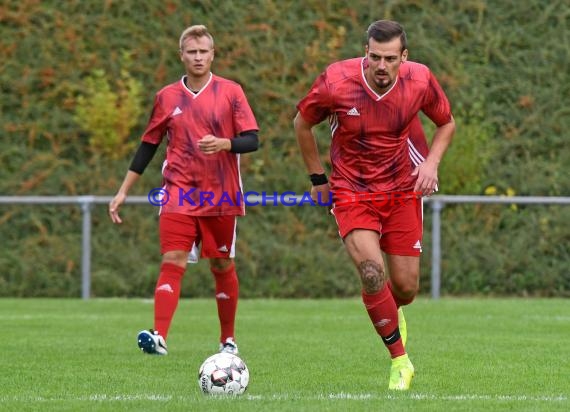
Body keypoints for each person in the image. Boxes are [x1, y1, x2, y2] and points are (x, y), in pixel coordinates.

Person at [294, 20, 455, 390]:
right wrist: (318, 179)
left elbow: (446, 124)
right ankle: (400, 361)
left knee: (405, 288)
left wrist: (430, 164)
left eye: (389, 58)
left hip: (401, 189)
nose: (381, 66)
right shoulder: (336, 82)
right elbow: (302, 125)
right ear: (365, 52)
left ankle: (391, 311)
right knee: (371, 272)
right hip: (351, 190)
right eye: (374, 57)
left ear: (404, 57)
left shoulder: (420, 80)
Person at [109, 25, 259, 356]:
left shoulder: (231, 92)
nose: (198, 57)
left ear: (212, 54)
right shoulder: (166, 97)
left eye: (203, 51)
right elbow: (147, 146)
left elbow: (253, 140)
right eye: (192, 52)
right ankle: (159, 335)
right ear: (182, 55)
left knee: (221, 266)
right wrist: (122, 191)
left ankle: (228, 341)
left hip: (221, 195)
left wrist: (225, 143)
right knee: (172, 258)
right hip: (178, 193)